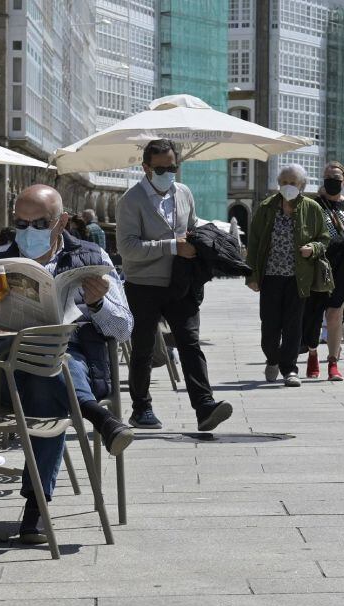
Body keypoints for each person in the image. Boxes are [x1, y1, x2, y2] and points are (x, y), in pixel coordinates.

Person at [0, 184, 134, 544]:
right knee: (48, 366)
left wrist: (98, 304)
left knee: (52, 367)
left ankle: (36, 504)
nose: (28, 232)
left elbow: (124, 328)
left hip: (68, 362)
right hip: (2, 371)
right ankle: (97, 418)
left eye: (39, 224)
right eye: (21, 223)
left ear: (61, 221)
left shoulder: (91, 258)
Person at [117, 138, 232, 431]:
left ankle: (205, 406)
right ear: (145, 168)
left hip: (181, 281)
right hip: (143, 284)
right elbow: (128, 248)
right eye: (161, 168)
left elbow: (190, 227)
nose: (168, 172)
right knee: (143, 347)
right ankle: (141, 407)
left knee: (190, 343)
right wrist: (171, 246)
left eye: (172, 167)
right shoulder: (131, 201)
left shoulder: (183, 192)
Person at [245, 164, 329, 387]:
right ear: (278, 184)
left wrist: (313, 247)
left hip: (298, 277)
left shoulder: (312, 208)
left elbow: (324, 238)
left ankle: (290, 369)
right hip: (270, 275)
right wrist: (251, 275)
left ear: (302, 185)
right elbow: (253, 243)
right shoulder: (266, 207)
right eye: (284, 182)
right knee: (270, 324)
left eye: (293, 183)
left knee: (293, 325)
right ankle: (272, 358)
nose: (288, 187)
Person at [304, 161, 344, 381]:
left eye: (337, 178)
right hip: (317, 266)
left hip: (343, 269)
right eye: (328, 177)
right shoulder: (312, 204)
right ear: (322, 180)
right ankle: (312, 353)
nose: (332, 181)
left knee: (334, 315)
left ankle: (333, 362)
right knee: (312, 317)